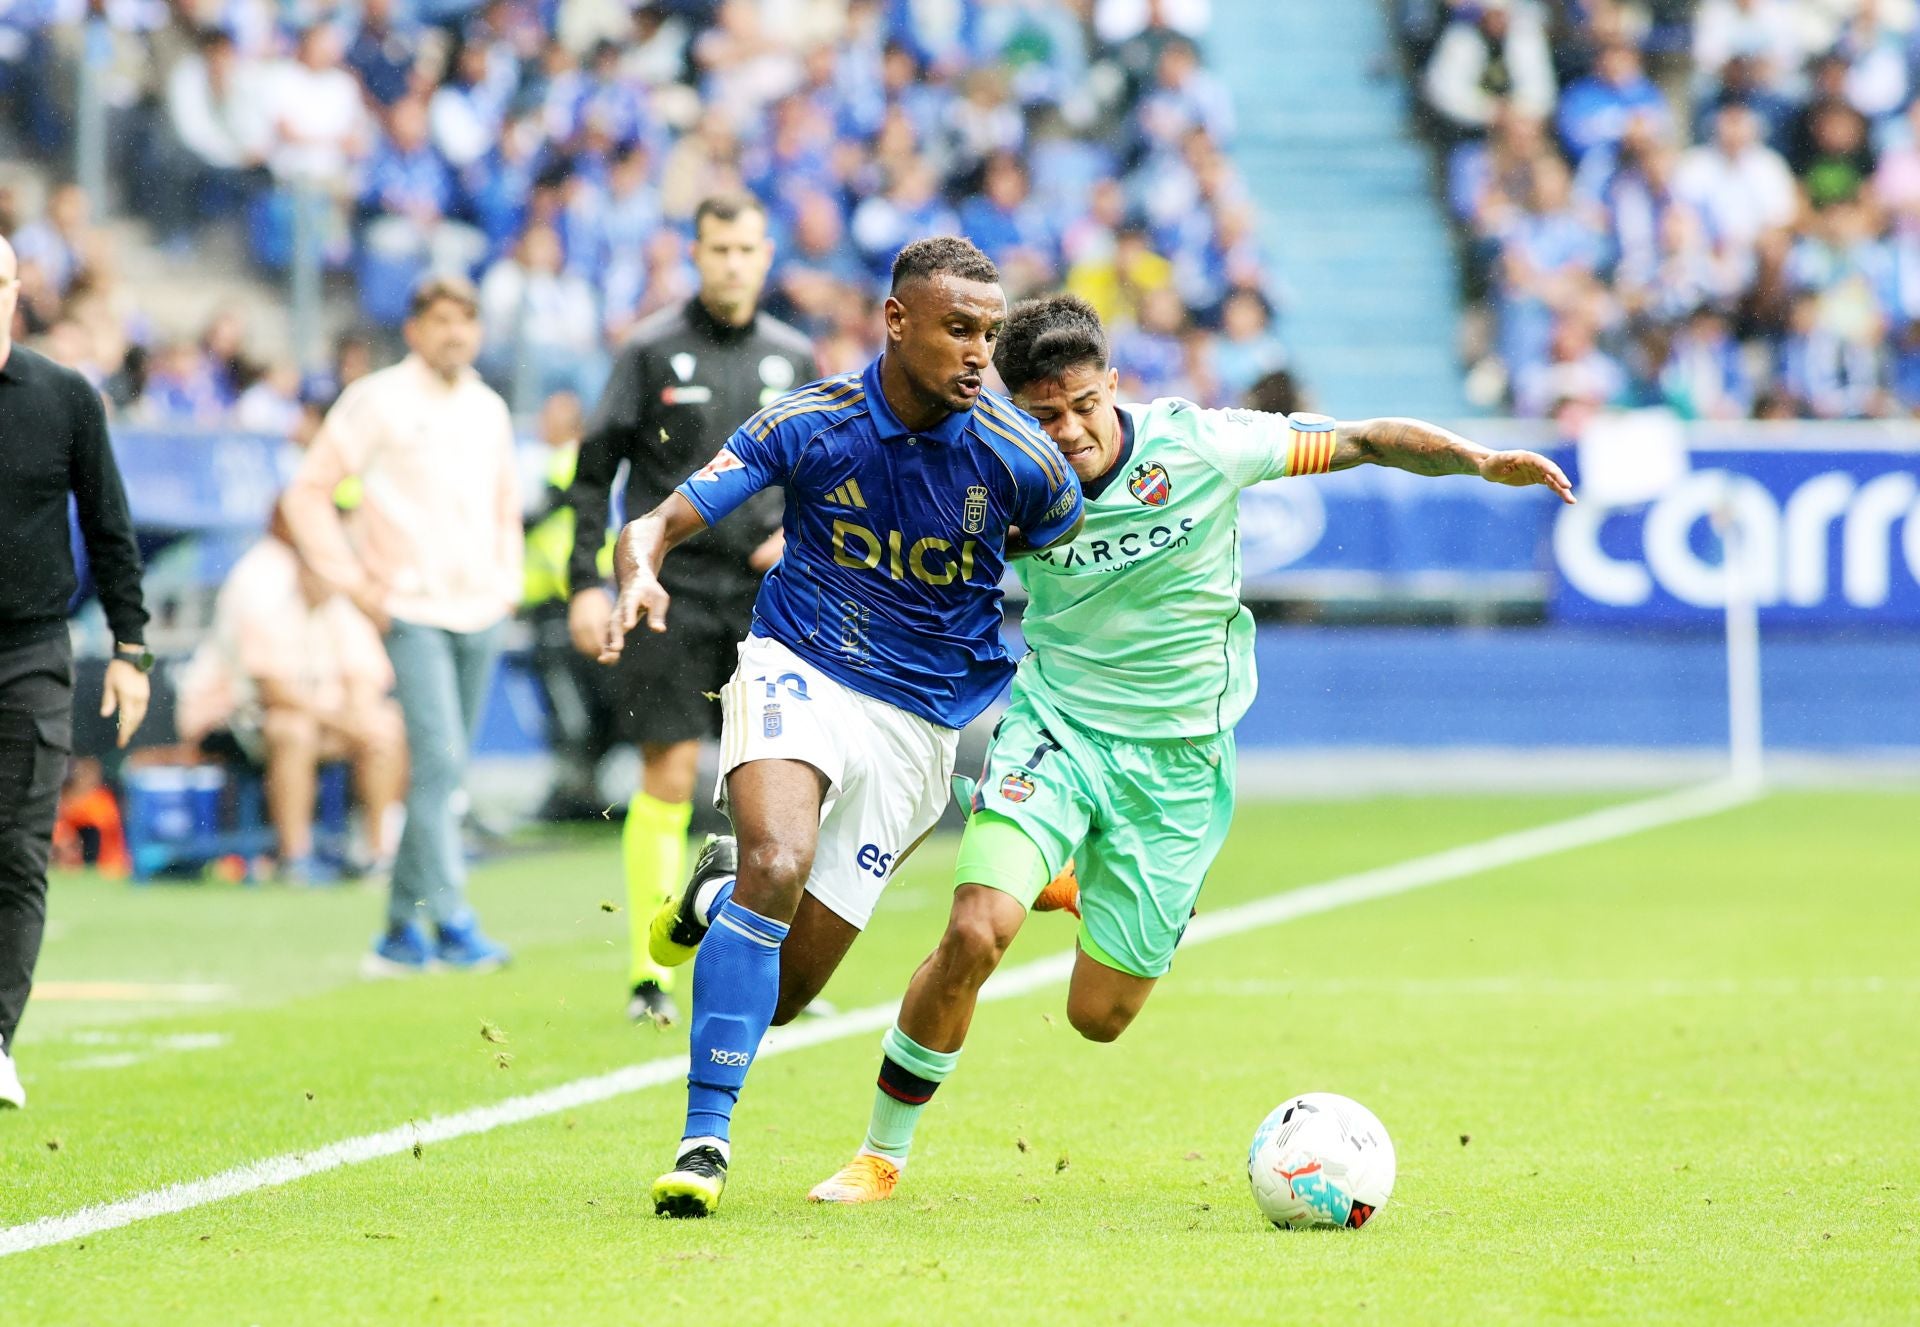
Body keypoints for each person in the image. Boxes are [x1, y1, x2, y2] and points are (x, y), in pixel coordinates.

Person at [804, 293, 1574, 1203]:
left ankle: (1073, 882)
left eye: (1083, 406)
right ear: (1014, 411)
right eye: (1043, 415)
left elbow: (1363, 438)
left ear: (1113, 386)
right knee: (976, 929)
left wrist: (1479, 460)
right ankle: (881, 1154)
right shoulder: (1000, 472)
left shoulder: (1204, 445)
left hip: (1177, 762)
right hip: (1056, 729)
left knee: (1099, 1017)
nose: (1069, 432)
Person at [600, 237, 1084, 1217]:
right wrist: (638, 569)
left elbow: (1072, 535)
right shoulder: (812, 422)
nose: (979, 353)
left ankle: (716, 893)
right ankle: (704, 1143)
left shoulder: (1017, 457)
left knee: (780, 990)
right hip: (801, 667)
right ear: (897, 321)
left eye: (990, 334)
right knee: (779, 860)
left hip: (919, 729)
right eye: (958, 330)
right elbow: (654, 521)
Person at [565, 192, 816, 1028]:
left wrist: (801, 534)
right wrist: (585, 582)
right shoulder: (648, 350)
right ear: (694, 253)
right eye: (718, 249)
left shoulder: (795, 354)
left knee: (774, 787)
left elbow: (828, 472)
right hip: (666, 592)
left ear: (767, 254)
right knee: (668, 770)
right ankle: (649, 971)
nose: (733, 263)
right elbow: (593, 473)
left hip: (766, 599)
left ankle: (771, 972)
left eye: (746, 249)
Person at [283, 275, 522, 977]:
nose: (455, 333)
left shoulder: (488, 407)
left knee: (444, 774)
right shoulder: (378, 399)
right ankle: (451, 918)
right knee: (441, 758)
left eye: (466, 321)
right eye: (441, 320)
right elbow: (306, 491)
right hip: (412, 609)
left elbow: (506, 503)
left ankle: (396, 933)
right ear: (415, 329)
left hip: (480, 606)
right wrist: (353, 582)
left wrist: (506, 580)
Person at [0, 234, 152, 1109]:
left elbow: (111, 529)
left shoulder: (63, 398)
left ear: (20, 292)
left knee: (16, 848)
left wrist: (130, 652)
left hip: (28, 650)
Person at [174, 507, 406, 883]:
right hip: (234, 721)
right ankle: (294, 859)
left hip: (324, 720)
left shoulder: (341, 600)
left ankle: (379, 855)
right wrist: (348, 721)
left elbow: (366, 674)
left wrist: (361, 717)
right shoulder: (263, 589)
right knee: (292, 729)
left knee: (386, 723)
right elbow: (273, 692)